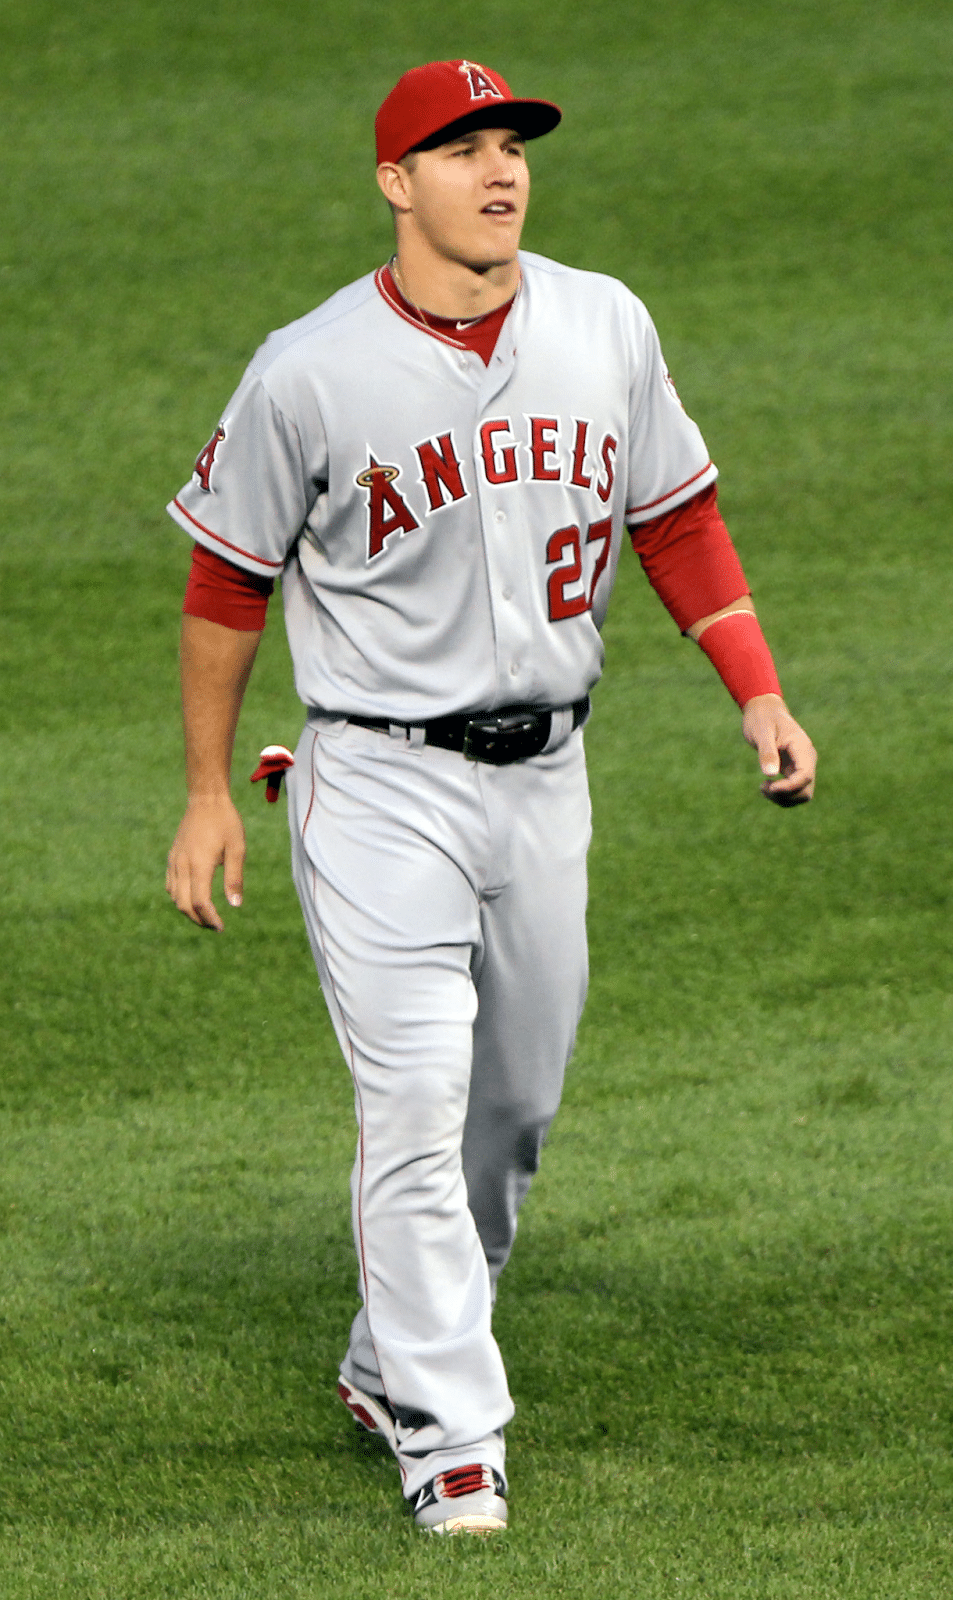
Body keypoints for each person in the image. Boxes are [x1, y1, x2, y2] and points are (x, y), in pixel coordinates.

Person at [165, 58, 816, 1534]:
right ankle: (454, 1442)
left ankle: (383, 1360)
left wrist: (758, 688)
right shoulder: (309, 369)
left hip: (548, 782)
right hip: (377, 779)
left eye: (511, 143)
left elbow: (677, 516)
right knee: (412, 1100)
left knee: (509, 1109)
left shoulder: (605, 322)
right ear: (396, 184)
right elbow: (226, 582)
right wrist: (207, 790)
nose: (501, 168)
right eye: (461, 149)